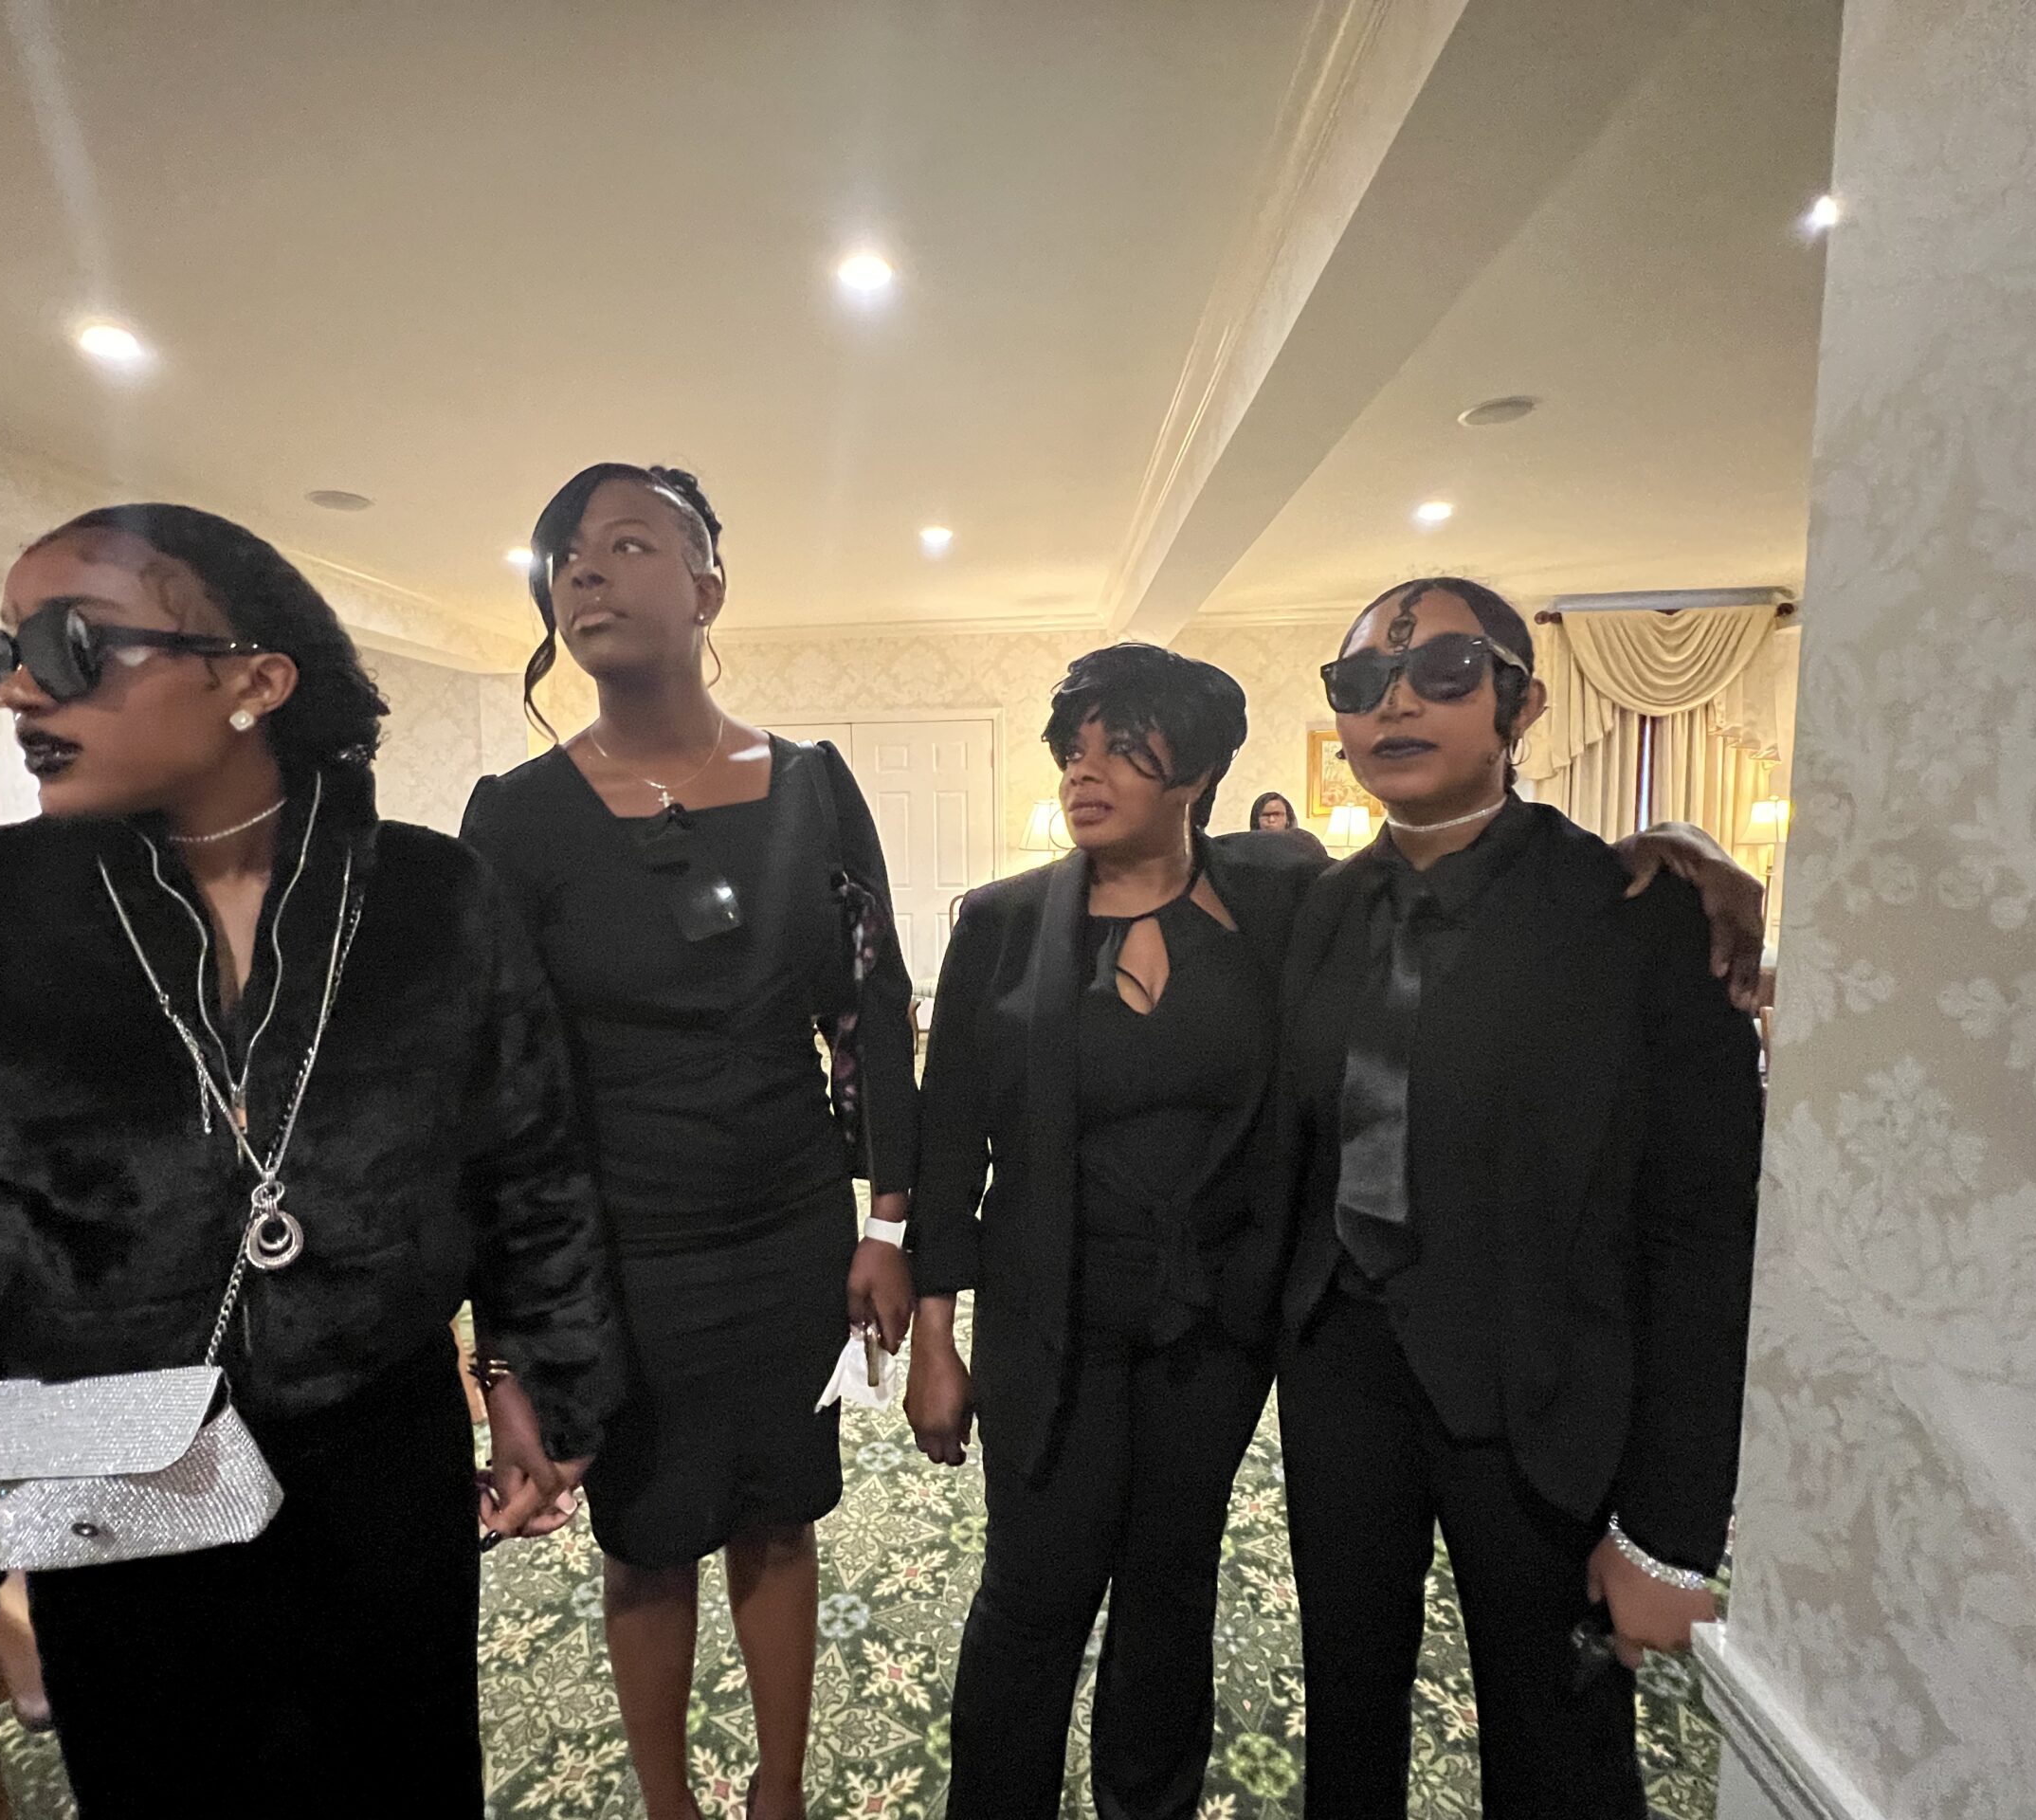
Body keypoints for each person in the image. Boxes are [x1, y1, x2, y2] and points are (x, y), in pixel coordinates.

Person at [0, 504, 622, 1816]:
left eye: (73, 643)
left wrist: (530, 1377)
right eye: (1, 651)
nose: (22, 688)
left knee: (405, 1775)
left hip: (379, 1446)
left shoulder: (432, 901)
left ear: (254, 679)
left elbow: (528, 1169)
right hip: (103, 1457)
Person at [459, 464, 918, 1820]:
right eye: (566, 555)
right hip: (618, 1249)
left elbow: (871, 1007)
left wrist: (888, 1221)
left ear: (708, 587)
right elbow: (498, 1088)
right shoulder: (516, 814)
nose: (585, 572)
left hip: (788, 1227)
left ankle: (780, 1792)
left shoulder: (812, 785)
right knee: (647, 1536)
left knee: (778, 1514)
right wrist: (510, 1343)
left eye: (628, 544)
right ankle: (669, 1807)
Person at [1273, 577, 1763, 1817]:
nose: (1394, 703)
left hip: (1540, 1386)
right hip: (1343, 1367)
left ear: (1522, 702)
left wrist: (1670, 1532)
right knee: (1346, 1702)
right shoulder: (1320, 907)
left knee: (1560, 1740)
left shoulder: (1640, 914)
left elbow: (1705, 1233)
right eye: (1360, 685)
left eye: (1441, 672)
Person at [904, 646, 1318, 1819]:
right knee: (1035, 1589)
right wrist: (934, 1340)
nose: (1083, 772)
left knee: (1171, 1583)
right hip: (1051, 1315)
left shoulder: (1280, 899)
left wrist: (1676, 855)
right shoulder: (999, 925)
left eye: (1120, 747)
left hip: (1215, 1323)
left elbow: (1437, 865)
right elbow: (950, 1146)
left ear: (1196, 770)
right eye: (1072, 748)